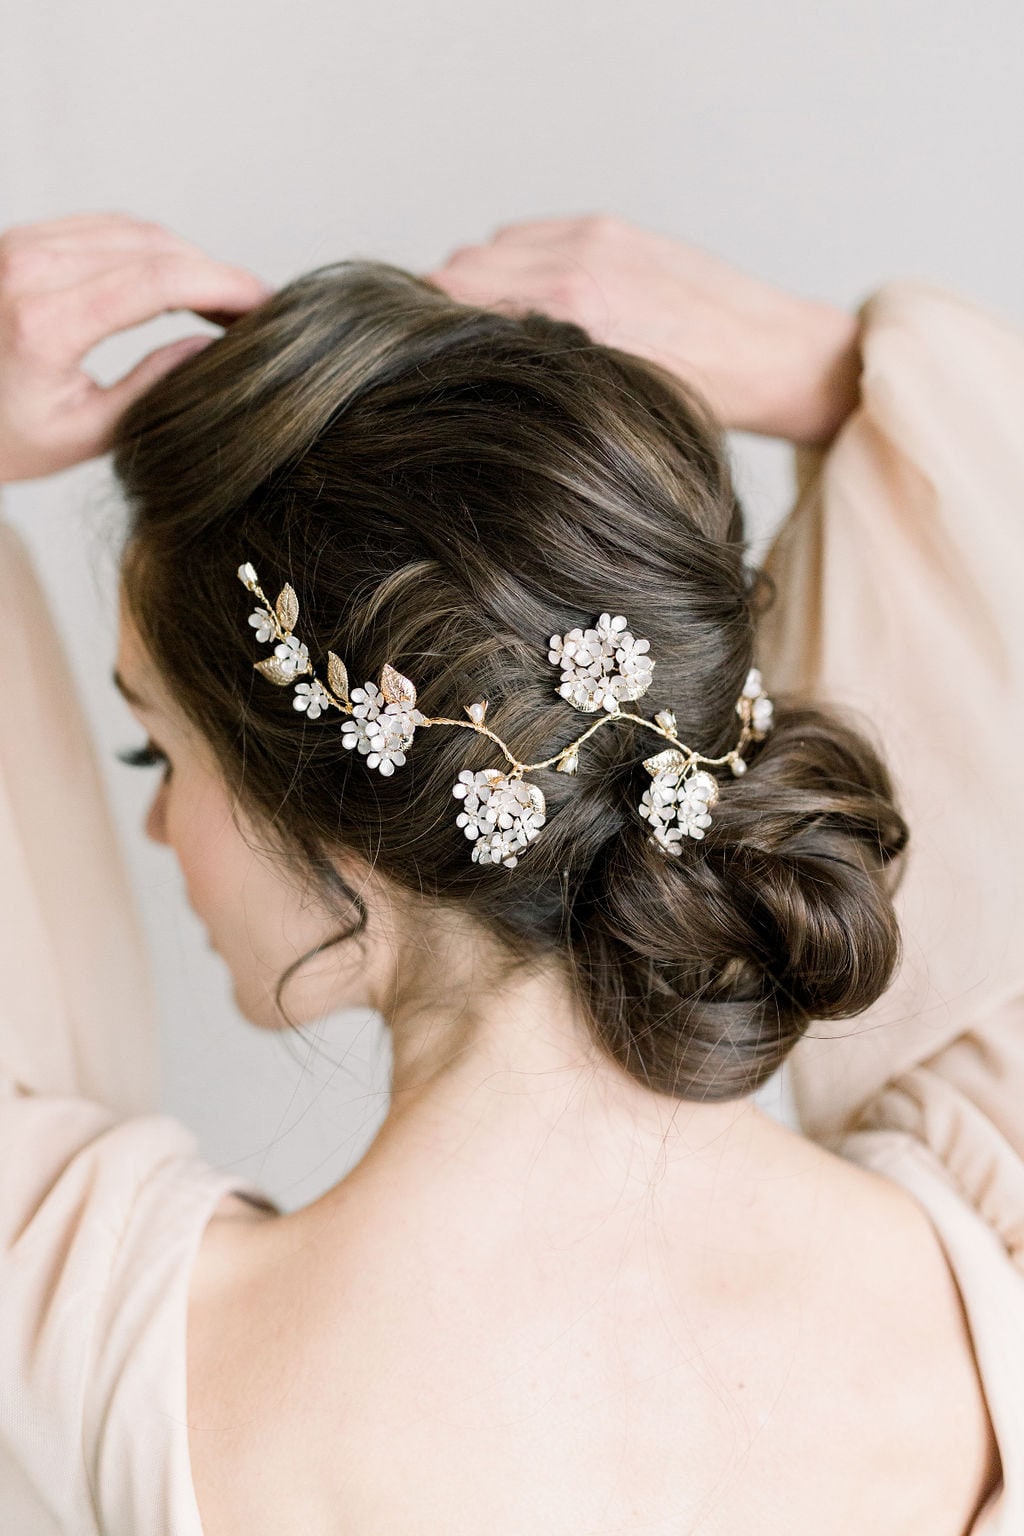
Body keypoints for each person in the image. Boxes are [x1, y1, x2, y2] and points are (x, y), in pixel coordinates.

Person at [0, 210, 1018, 1535]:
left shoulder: (104, 1345)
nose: (155, 833)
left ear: (335, 801)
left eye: (161, 758)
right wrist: (839, 375)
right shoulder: (980, 1247)